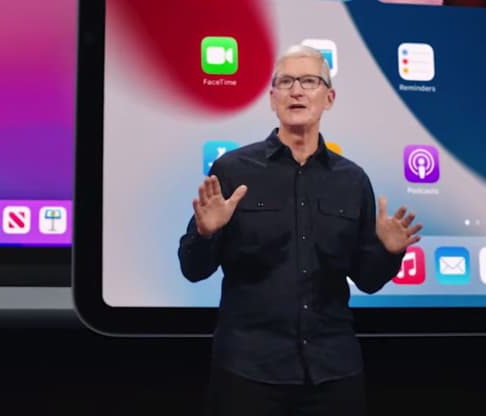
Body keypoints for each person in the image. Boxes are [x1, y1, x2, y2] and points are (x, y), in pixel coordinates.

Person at [178, 44, 423, 416]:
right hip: (247, 371)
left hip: (334, 371)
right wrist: (206, 233)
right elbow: (193, 270)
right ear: (272, 98)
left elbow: (368, 280)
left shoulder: (353, 180)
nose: (296, 91)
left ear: (329, 98)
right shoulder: (232, 170)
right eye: (286, 82)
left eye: (309, 81)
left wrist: (389, 253)